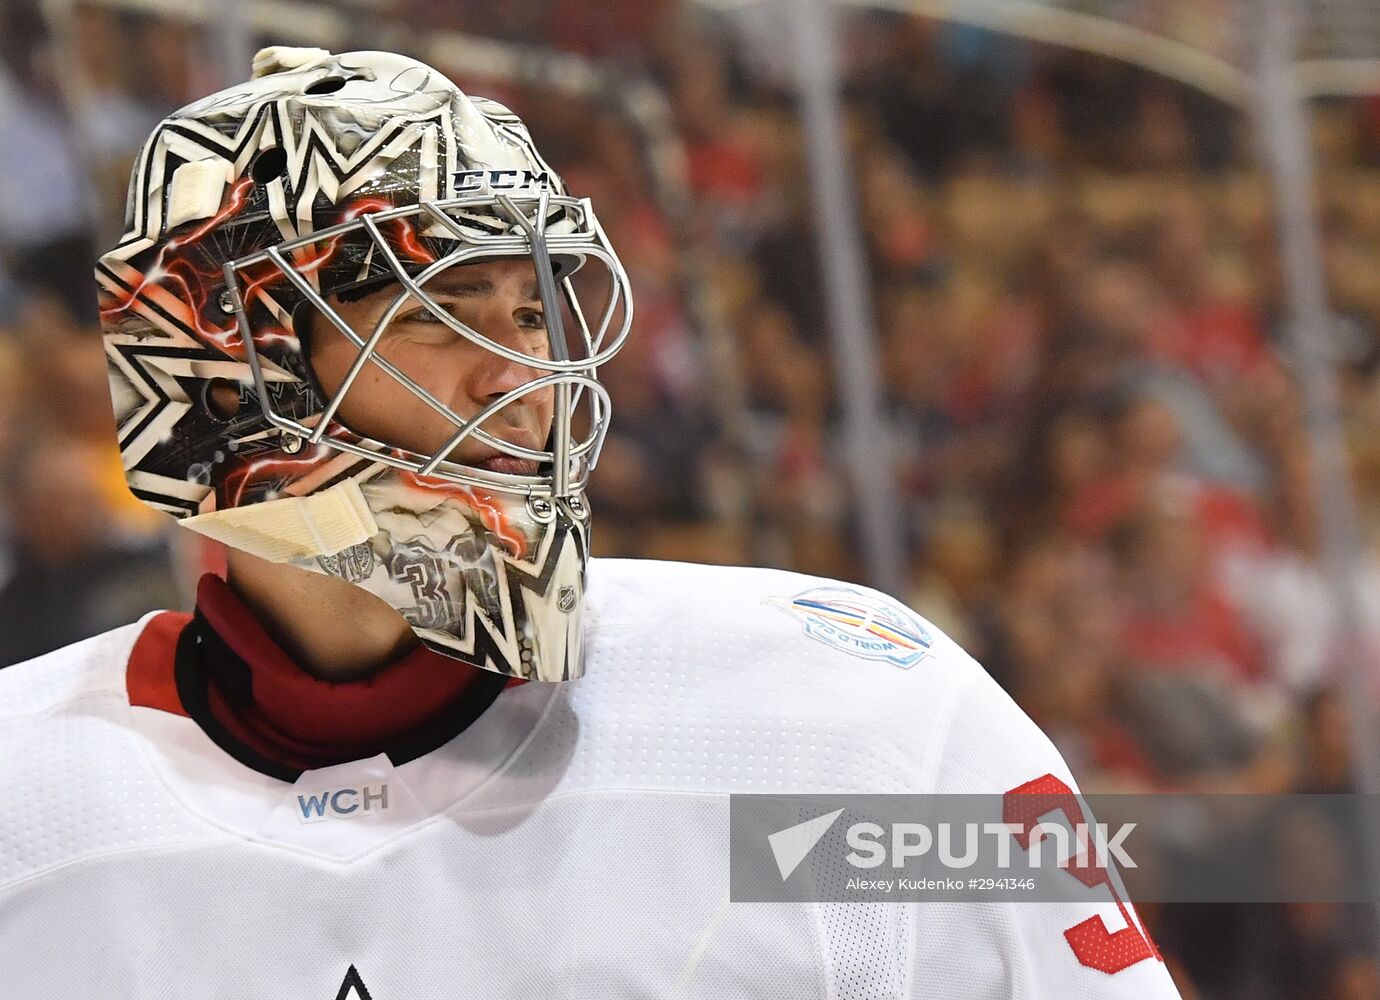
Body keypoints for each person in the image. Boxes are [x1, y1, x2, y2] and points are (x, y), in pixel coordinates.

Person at [0, 47, 1181, 998]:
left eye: (533, 311)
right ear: (233, 363)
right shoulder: (26, 797)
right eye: (443, 310)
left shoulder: (862, 720)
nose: (528, 378)